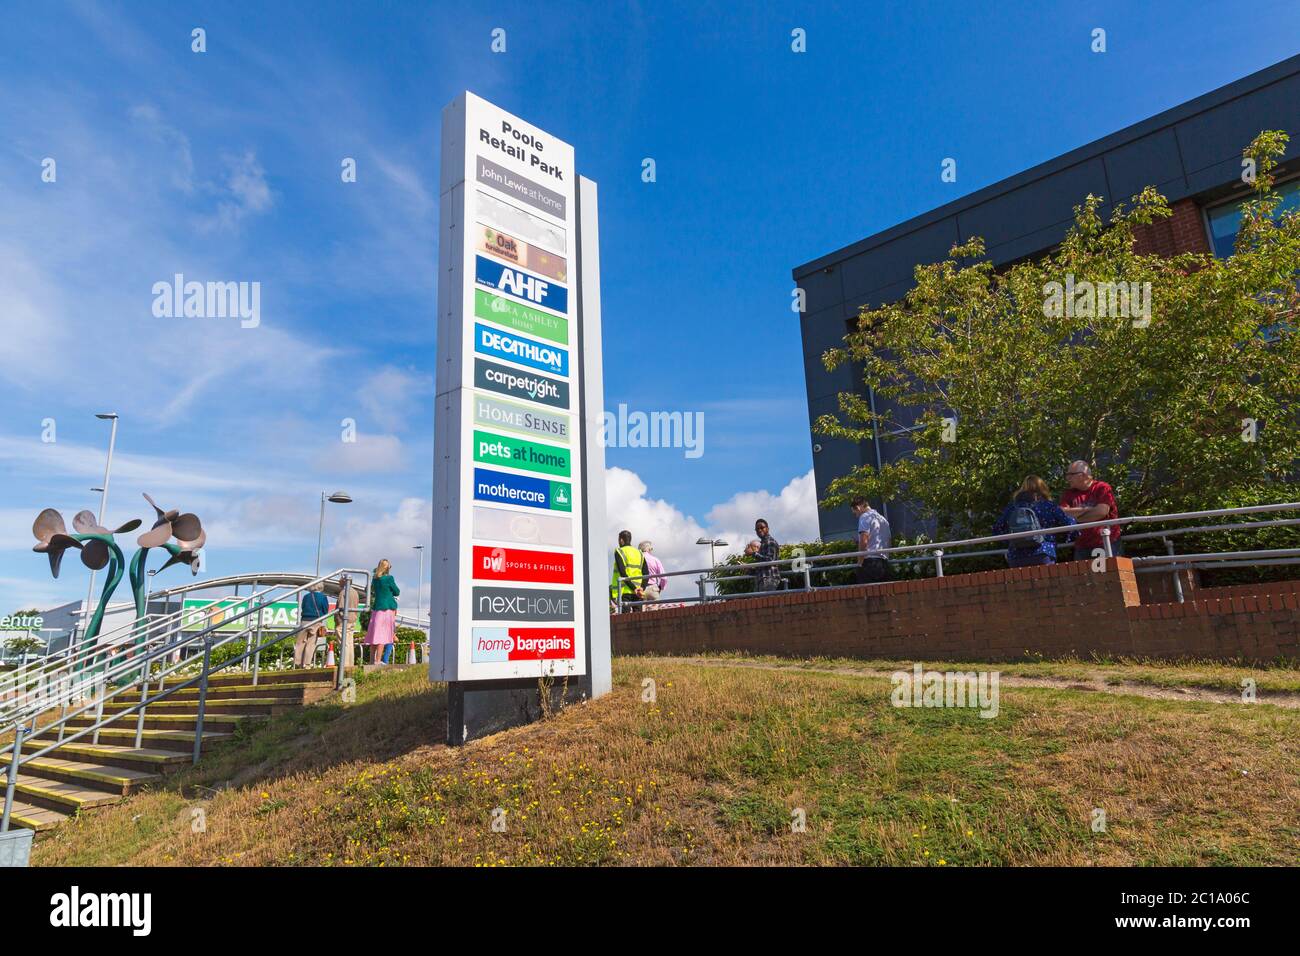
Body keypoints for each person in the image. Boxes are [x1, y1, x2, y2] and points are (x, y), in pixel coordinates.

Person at [993, 476, 1076, 567]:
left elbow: (997, 529)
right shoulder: (1048, 506)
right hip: (1043, 552)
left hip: (1016, 555)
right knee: (1045, 580)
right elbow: (1069, 524)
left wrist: (1013, 541)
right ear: (1043, 489)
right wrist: (1067, 539)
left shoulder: (1012, 507)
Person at [1059, 461, 1121, 559]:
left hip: (1104, 542)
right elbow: (1062, 513)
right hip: (1081, 545)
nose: (1068, 478)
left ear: (1082, 475)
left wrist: (1075, 519)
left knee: (1105, 572)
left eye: (1070, 475)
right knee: (1084, 574)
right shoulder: (1068, 493)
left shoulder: (1102, 488)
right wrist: (1089, 509)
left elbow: (1101, 512)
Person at [363, 559, 400, 664]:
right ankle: (378, 660)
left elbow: (370, 590)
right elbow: (397, 592)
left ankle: (371, 661)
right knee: (383, 636)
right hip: (387, 609)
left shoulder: (375, 579)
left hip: (376, 609)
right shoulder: (389, 578)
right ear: (387, 568)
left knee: (374, 635)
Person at [850, 496, 893, 584]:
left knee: (868, 594)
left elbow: (864, 542)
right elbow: (889, 541)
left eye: (855, 513)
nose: (856, 516)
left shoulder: (865, 517)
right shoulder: (883, 519)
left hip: (870, 563)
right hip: (883, 563)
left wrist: (859, 563)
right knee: (883, 594)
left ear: (858, 507)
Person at [610, 531, 647, 610]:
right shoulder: (639, 553)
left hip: (625, 591)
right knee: (638, 617)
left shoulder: (619, 551)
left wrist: (634, 589)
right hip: (638, 592)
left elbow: (622, 573)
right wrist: (642, 588)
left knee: (625, 618)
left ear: (621, 540)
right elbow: (646, 573)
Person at [296, 583, 331, 668]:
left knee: (300, 643)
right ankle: (307, 664)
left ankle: (297, 663)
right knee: (311, 643)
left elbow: (303, 607)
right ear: (321, 587)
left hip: (304, 620)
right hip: (316, 621)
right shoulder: (323, 597)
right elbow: (325, 610)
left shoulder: (306, 597)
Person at [753, 519, 782, 592]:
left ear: (767, 529)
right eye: (757, 529)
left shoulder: (770, 541)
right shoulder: (762, 544)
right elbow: (761, 566)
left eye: (762, 528)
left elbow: (770, 560)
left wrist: (754, 554)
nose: (759, 530)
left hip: (769, 579)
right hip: (762, 580)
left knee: (767, 602)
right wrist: (748, 569)